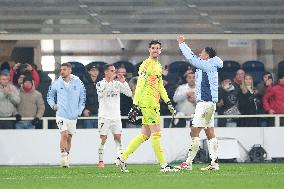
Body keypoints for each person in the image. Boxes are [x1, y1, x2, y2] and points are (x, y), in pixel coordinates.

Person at [116, 40, 177, 173]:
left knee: (145, 134)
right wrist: (135, 105)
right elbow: (140, 86)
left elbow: (160, 86)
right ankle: (164, 165)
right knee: (156, 133)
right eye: (153, 48)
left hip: (154, 102)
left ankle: (121, 159)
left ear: (160, 51)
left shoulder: (158, 66)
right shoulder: (146, 65)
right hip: (148, 103)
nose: (155, 50)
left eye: (158, 48)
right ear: (149, 50)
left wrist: (168, 101)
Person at [175, 35, 223, 171]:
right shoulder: (207, 66)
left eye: (202, 52)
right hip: (208, 104)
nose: (199, 54)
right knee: (209, 132)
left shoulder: (207, 65)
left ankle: (188, 162)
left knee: (194, 131)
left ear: (207, 56)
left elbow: (190, 58)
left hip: (205, 104)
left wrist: (182, 44)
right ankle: (214, 163)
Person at [47, 63, 86, 168]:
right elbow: (49, 97)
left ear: (70, 70)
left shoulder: (78, 82)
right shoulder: (56, 83)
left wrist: (79, 111)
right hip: (61, 114)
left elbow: (83, 98)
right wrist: (53, 105)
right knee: (64, 134)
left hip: (73, 116)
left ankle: (66, 158)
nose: (62, 71)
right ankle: (64, 158)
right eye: (61, 69)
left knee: (69, 138)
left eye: (64, 69)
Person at [96, 64, 132, 168]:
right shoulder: (100, 84)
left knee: (118, 138)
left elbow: (129, 94)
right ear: (106, 72)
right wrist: (109, 82)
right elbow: (102, 94)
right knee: (103, 138)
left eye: (114, 71)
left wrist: (123, 82)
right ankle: (101, 161)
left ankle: (120, 159)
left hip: (116, 116)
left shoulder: (117, 84)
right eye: (112, 71)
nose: (114, 73)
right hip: (104, 116)